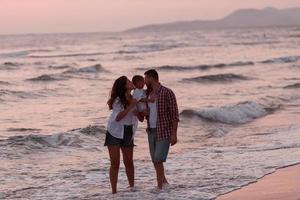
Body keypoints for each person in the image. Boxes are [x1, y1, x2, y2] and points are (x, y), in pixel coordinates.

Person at [105, 76, 143, 194]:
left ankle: (132, 188)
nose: (132, 83)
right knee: (115, 163)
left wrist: (138, 113)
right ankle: (114, 192)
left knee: (129, 162)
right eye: (129, 81)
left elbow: (141, 119)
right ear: (124, 86)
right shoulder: (118, 100)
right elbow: (118, 117)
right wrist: (132, 105)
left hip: (128, 131)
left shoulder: (134, 98)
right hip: (114, 131)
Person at [144, 69, 179, 190]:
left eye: (146, 78)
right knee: (155, 160)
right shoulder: (147, 94)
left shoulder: (167, 92)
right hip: (151, 130)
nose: (144, 81)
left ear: (152, 78)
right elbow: (147, 112)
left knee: (158, 159)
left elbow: (174, 115)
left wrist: (174, 134)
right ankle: (164, 183)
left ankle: (159, 188)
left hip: (163, 130)